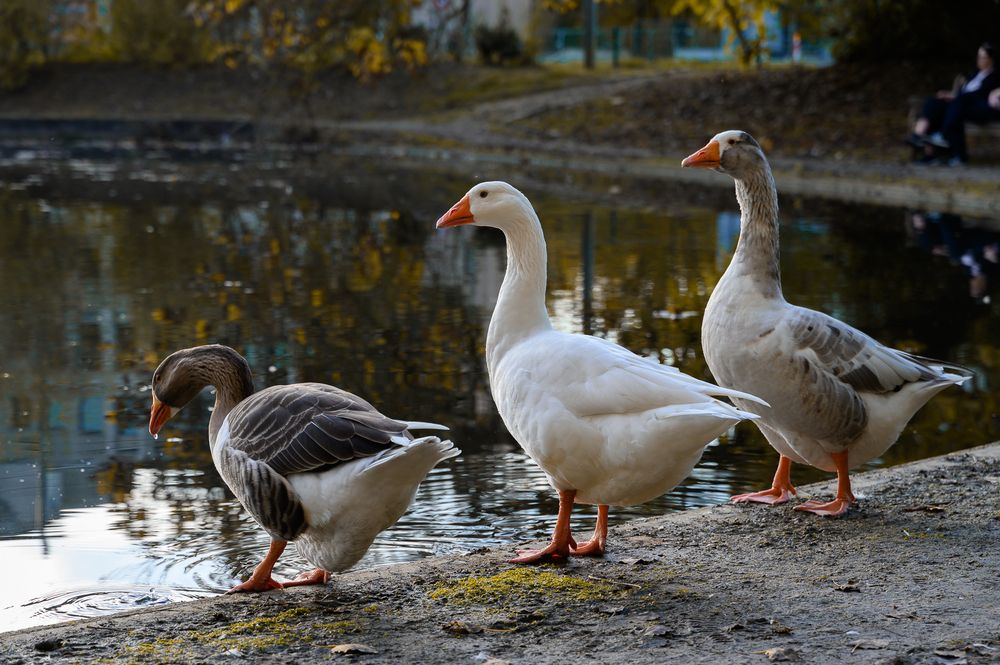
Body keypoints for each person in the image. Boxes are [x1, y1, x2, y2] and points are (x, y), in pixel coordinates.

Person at [908, 42, 999, 164]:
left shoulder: (995, 77)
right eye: (978, 56)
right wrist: (950, 96)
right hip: (962, 105)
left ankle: (942, 138)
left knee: (956, 106)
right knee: (936, 102)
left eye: (982, 57)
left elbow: (978, 96)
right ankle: (919, 136)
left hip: (981, 109)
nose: (979, 60)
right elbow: (964, 94)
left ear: (991, 59)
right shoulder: (974, 75)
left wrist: (955, 97)